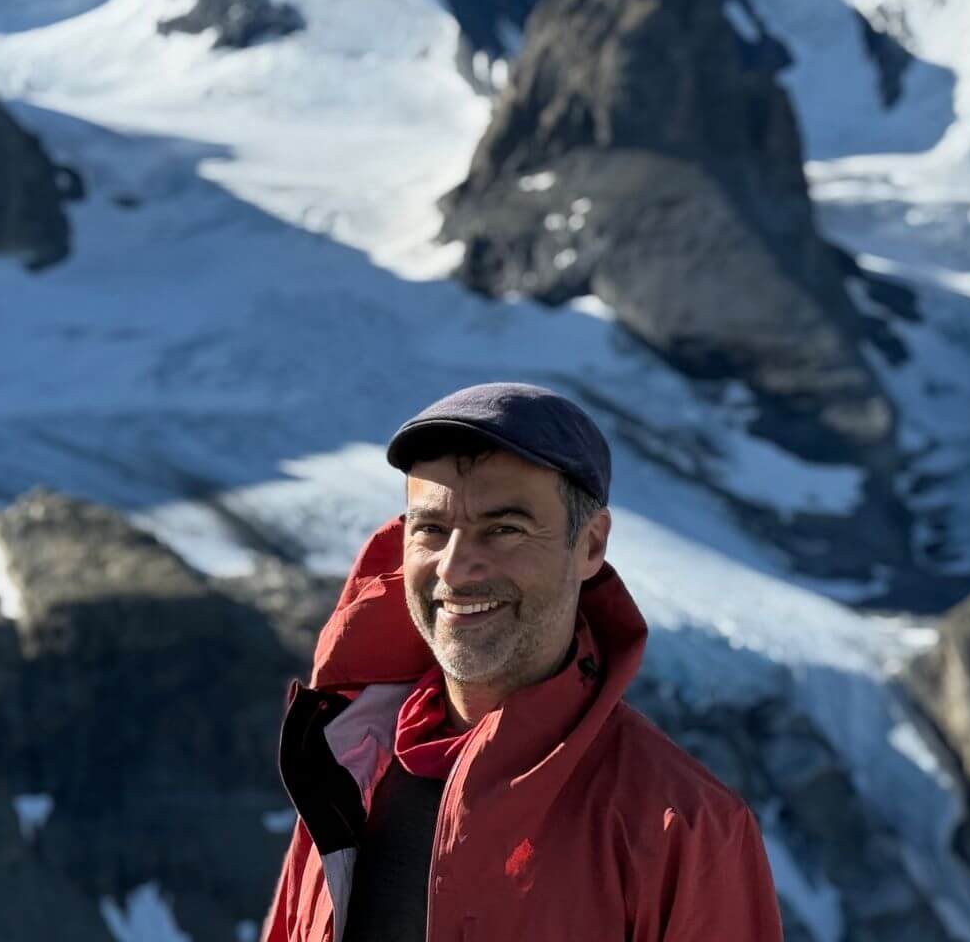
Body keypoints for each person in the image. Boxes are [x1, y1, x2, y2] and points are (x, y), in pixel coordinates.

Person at [259, 382, 783, 941]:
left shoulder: (686, 827)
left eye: (505, 529)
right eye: (431, 530)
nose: (456, 569)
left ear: (590, 546)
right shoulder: (349, 765)